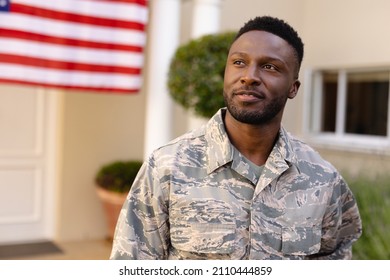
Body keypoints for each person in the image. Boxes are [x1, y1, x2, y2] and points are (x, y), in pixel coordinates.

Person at [110, 16, 362, 260]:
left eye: (270, 67)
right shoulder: (167, 166)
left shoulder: (323, 179)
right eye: (239, 62)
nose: (249, 76)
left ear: (293, 88)